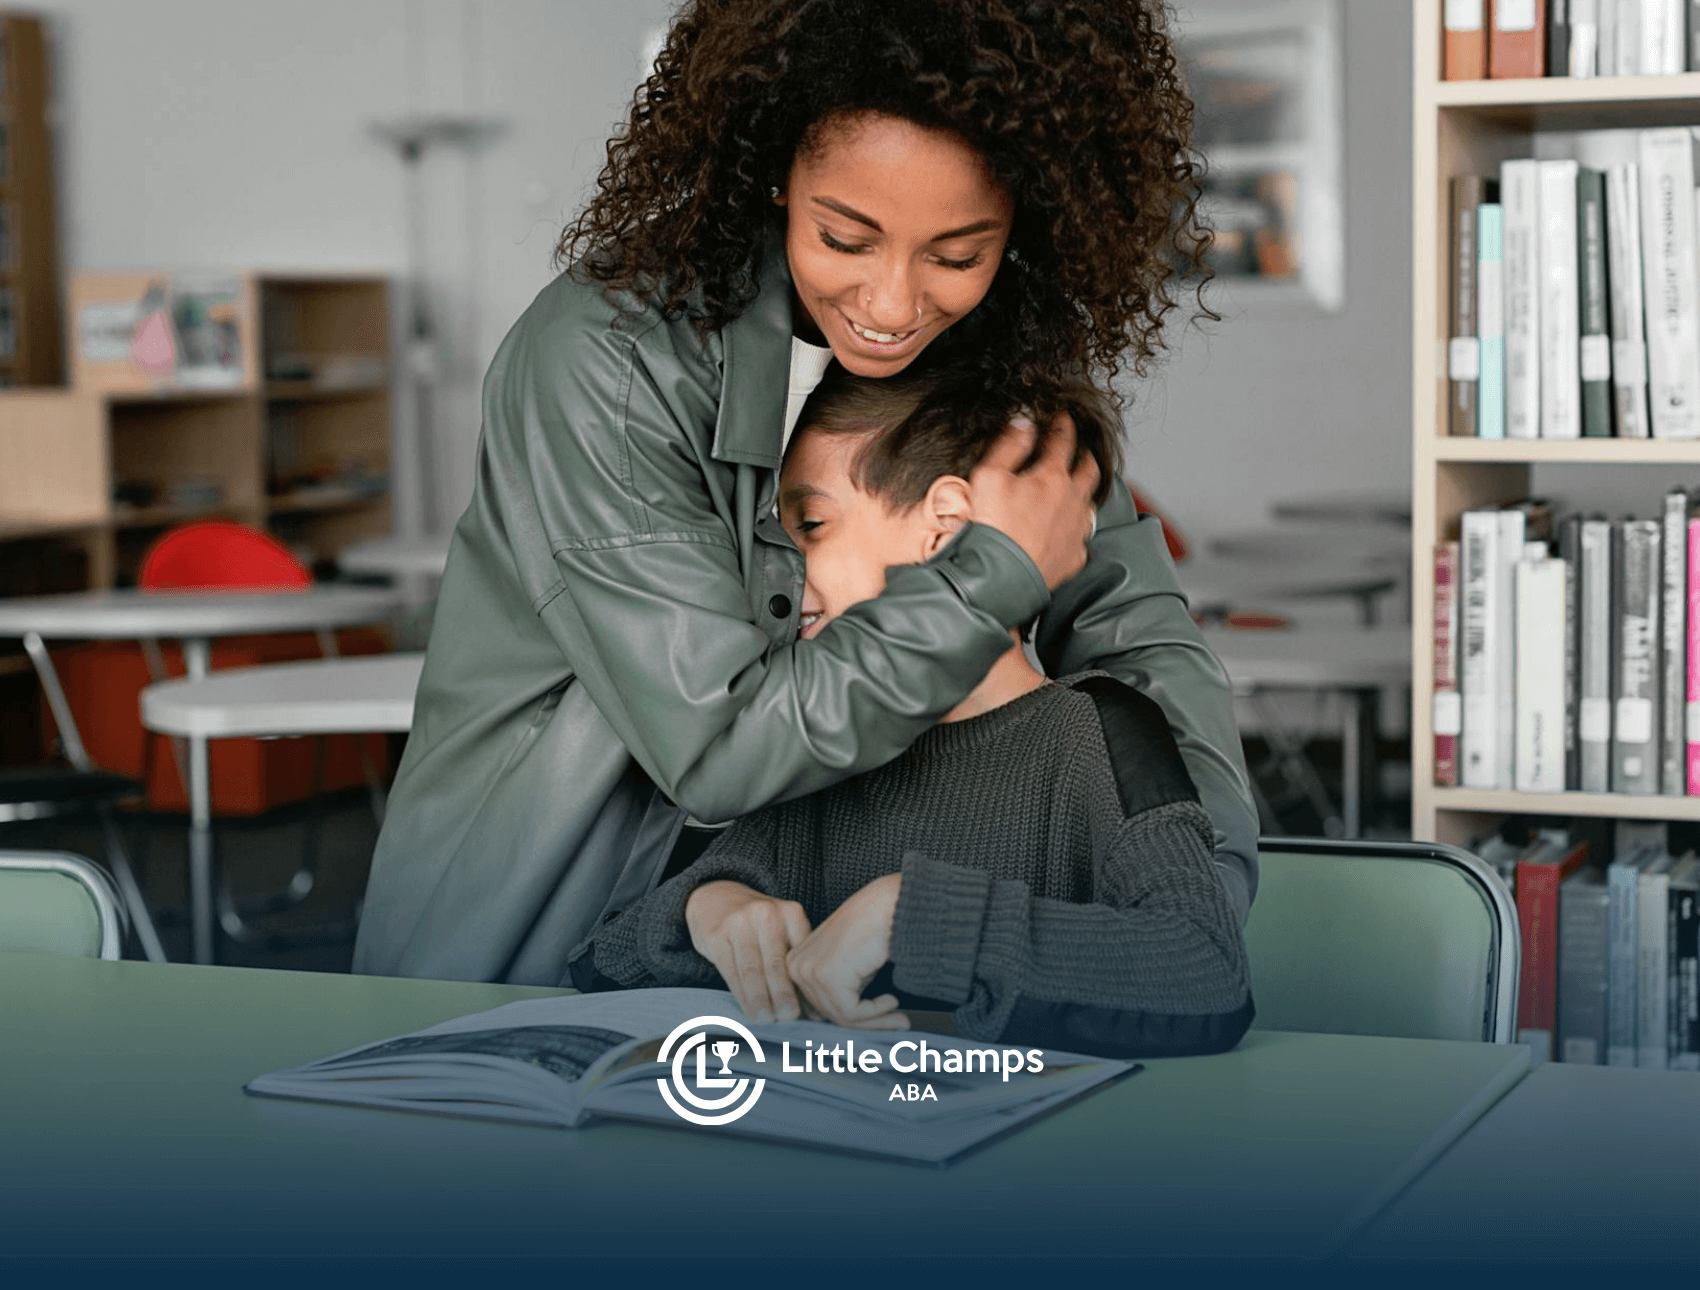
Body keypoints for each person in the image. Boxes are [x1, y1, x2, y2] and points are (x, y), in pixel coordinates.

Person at [353, 0, 1258, 986]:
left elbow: (1136, 633)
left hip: (818, 967)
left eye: (956, 255)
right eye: (845, 237)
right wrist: (981, 577)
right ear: (775, 170)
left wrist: (1187, 883)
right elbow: (719, 750)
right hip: (550, 948)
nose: (891, 304)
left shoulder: (998, 345)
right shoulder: (606, 363)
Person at [569, 359, 1254, 1058]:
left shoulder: (1101, 732)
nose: (779, 574)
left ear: (947, 527)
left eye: (810, 523)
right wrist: (706, 908)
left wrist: (918, 918)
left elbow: (1206, 972)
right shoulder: (826, 747)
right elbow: (600, 959)